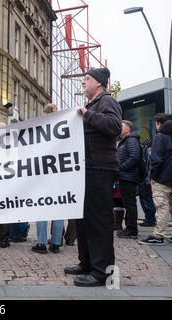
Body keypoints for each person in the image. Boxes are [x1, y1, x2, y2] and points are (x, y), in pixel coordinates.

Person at [64, 68, 122, 287]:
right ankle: (87, 262)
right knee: (84, 219)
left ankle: (103, 273)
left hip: (99, 169)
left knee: (98, 221)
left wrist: (87, 114)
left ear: (98, 83)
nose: (83, 83)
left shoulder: (107, 101)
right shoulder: (93, 105)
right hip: (87, 168)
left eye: (86, 79)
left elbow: (114, 126)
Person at [32, 103, 64, 254]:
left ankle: (41, 243)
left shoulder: (40, 129)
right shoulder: (64, 128)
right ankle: (56, 243)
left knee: (42, 210)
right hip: (60, 175)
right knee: (58, 210)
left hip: (42, 175)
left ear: (44, 113)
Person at [139, 113, 172, 245]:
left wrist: (153, 176)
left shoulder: (161, 137)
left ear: (159, 124)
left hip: (162, 178)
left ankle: (158, 236)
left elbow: (157, 159)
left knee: (162, 206)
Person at [116, 120, 141, 239]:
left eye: (121, 126)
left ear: (128, 129)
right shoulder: (125, 141)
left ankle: (132, 229)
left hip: (129, 176)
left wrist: (120, 168)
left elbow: (135, 157)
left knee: (130, 204)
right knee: (128, 203)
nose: (118, 128)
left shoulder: (131, 140)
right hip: (125, 176)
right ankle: (129, 228)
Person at [138, 137, 156, 227]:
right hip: (148, 179)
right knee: (147, 199)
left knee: (146, 200)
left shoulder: (148, 152)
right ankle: (150, 218)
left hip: (145, 180)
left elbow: (146, 166)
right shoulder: (152, 151)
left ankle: (150, 219)